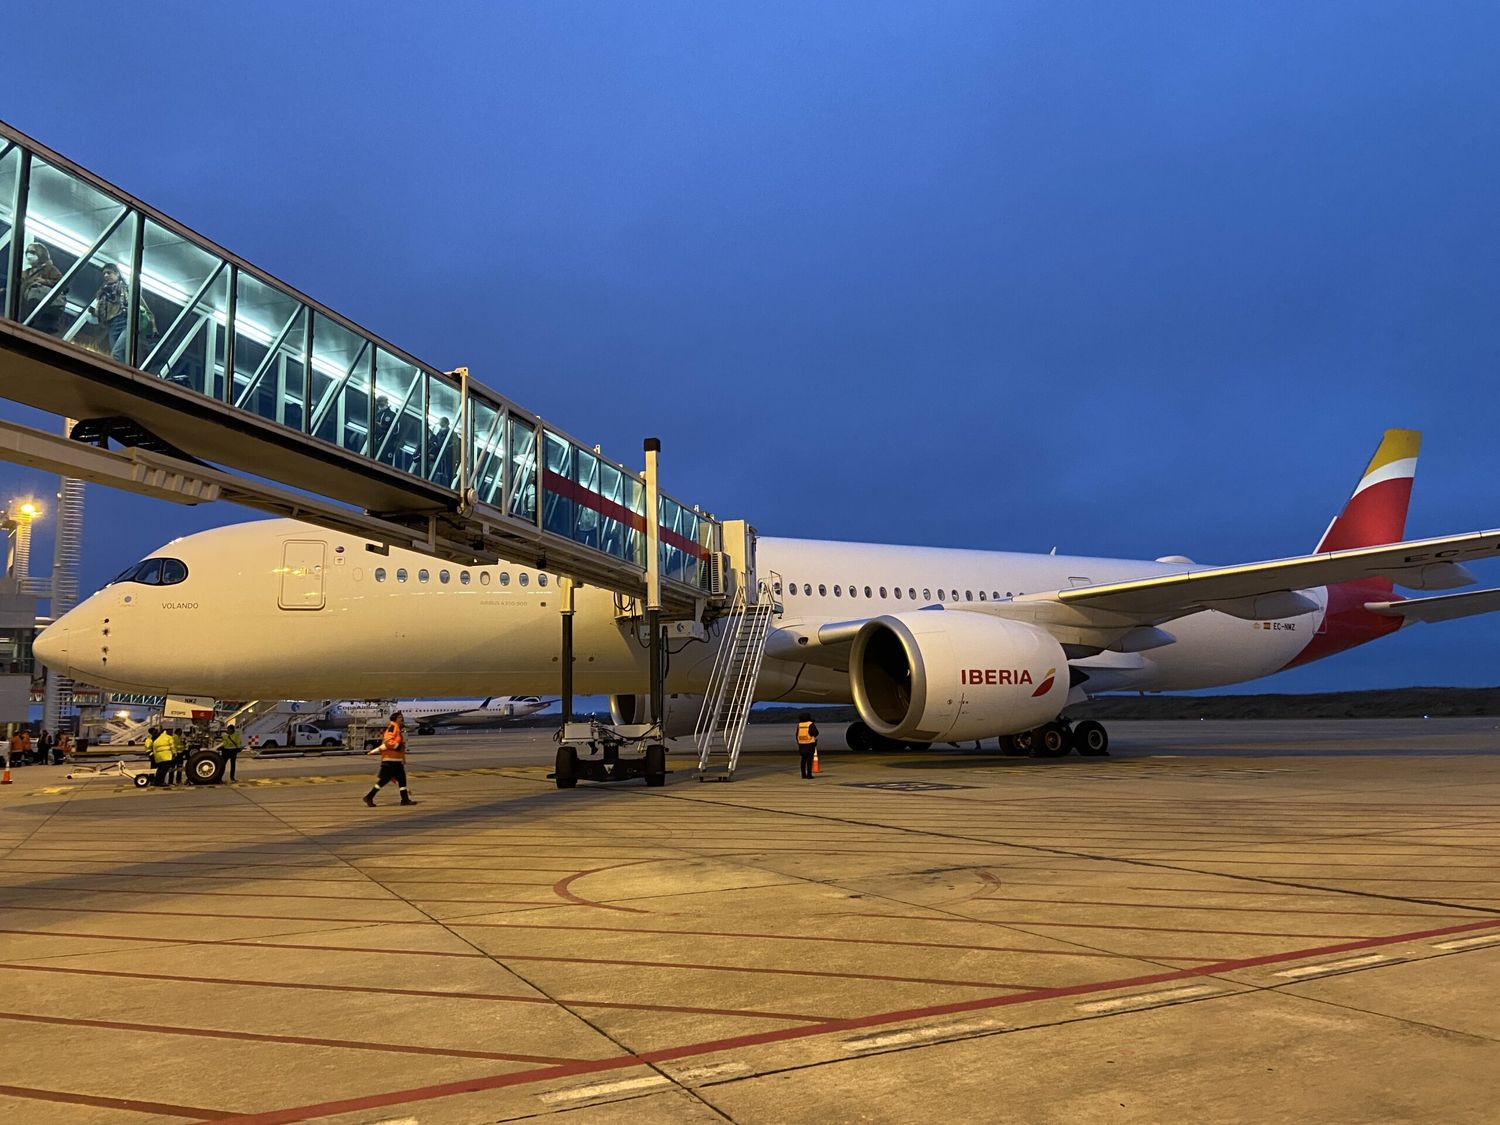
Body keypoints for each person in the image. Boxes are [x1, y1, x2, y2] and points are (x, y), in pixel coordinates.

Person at [89, 263, 156, 363]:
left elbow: (145, 308)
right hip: (112, 326)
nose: (106, 275)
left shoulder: (127, 289)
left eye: (109, 273)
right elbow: (100, 314)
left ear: (117, 274)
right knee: (121, 355)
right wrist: (94, 312)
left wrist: (154, 327)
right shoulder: (103, 294)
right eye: (104, 274)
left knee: (116, 354)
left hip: (127, 323)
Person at [363, 710, 416, 806]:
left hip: (396, 760)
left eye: (402, 717)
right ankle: (369, 797)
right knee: (383, 781)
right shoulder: (392, 727)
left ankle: (405, 800)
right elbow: (388, 741)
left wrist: (402, 759)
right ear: (395, 719)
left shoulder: (397, 729)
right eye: (400, 717)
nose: (402, 719)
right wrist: (397, 747)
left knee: (402, 780)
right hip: (390, 761)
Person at [19, 242, 63, 333]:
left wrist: (45, 282)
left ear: (41, 253)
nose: (29, 255)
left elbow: (62, 284)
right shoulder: (25, 272)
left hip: (42, 317)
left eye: (32, 252)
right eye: (27, 252)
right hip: (23, 312)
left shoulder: (50, 269)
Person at [427, 416, 454, 484]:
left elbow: (439, 444)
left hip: (443, 459)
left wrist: (432, 437)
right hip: (442, 458)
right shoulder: (444, 432)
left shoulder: (446, 433)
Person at [796, 712, 819, 779]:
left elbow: (797, 734)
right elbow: (815, 733)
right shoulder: (810, 724)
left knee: (803, 760)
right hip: (809, 744)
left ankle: (803, 775)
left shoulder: (799, 725)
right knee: (809, 760)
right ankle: (809, 775)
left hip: (801, 745)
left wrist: (799, 742)